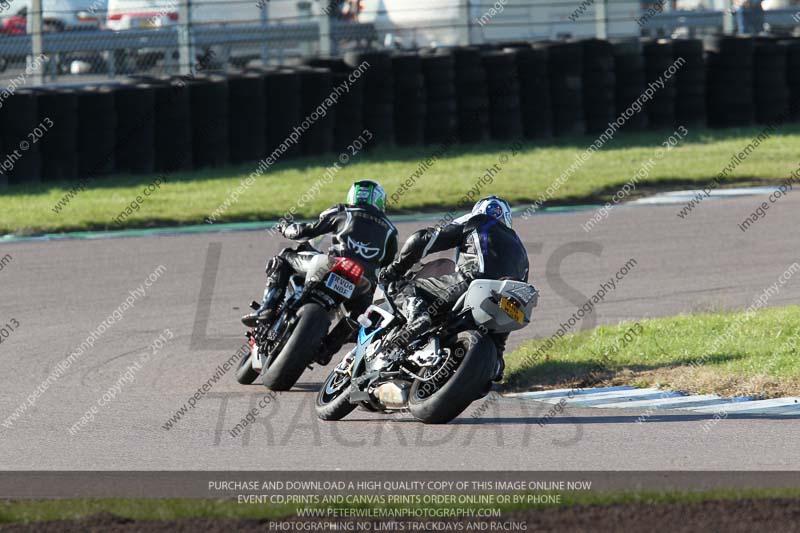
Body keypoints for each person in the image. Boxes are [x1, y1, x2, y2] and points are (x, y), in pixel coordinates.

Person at [378, 196, 529, 381]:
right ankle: (496, 363)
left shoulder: (478, 221)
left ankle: (418, 316)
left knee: (408, 288)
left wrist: (395, 269)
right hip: (505, 301)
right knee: (499, 339)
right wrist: (497, 349)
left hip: (473, 282)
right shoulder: (522, 252)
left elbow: (422, 240)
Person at [242, 180, 398, 352]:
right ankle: (329, 348)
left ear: (353, 196)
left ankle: (267, 308)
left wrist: (286, 228)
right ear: (380, 201)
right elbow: (386, 266)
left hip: (333, 266)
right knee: (360, 318)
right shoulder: (391, 231)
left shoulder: (344, 211)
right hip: (362, 283)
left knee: (283, 258)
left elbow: (306, 231)